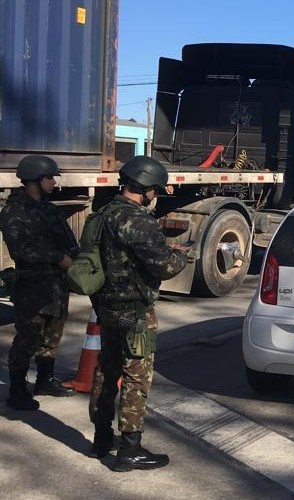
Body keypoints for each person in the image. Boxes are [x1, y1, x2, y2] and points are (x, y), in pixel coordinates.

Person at [88, 156, 189, 471]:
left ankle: (101, 439)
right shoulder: (139, 221)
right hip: (136, 311)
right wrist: (182, 256)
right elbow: (165, 266)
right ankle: (129, 450)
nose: (155, 195)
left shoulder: (102, 215)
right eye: (155, 190)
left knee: (106, 371)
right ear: (145, 188)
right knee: (136, 378)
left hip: (107, 307)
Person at [0, 155, 79, 410]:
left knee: (52, 335)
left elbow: (68, 240)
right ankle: (17, 390)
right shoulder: (13, 211)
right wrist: (58, 258)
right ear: (35, 179)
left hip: (56, 285)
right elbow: (20, 250)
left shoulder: (49, 208)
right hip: (32, 287)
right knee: (27, 338)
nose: (54, 182)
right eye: (49, 178)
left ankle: (45, 380)